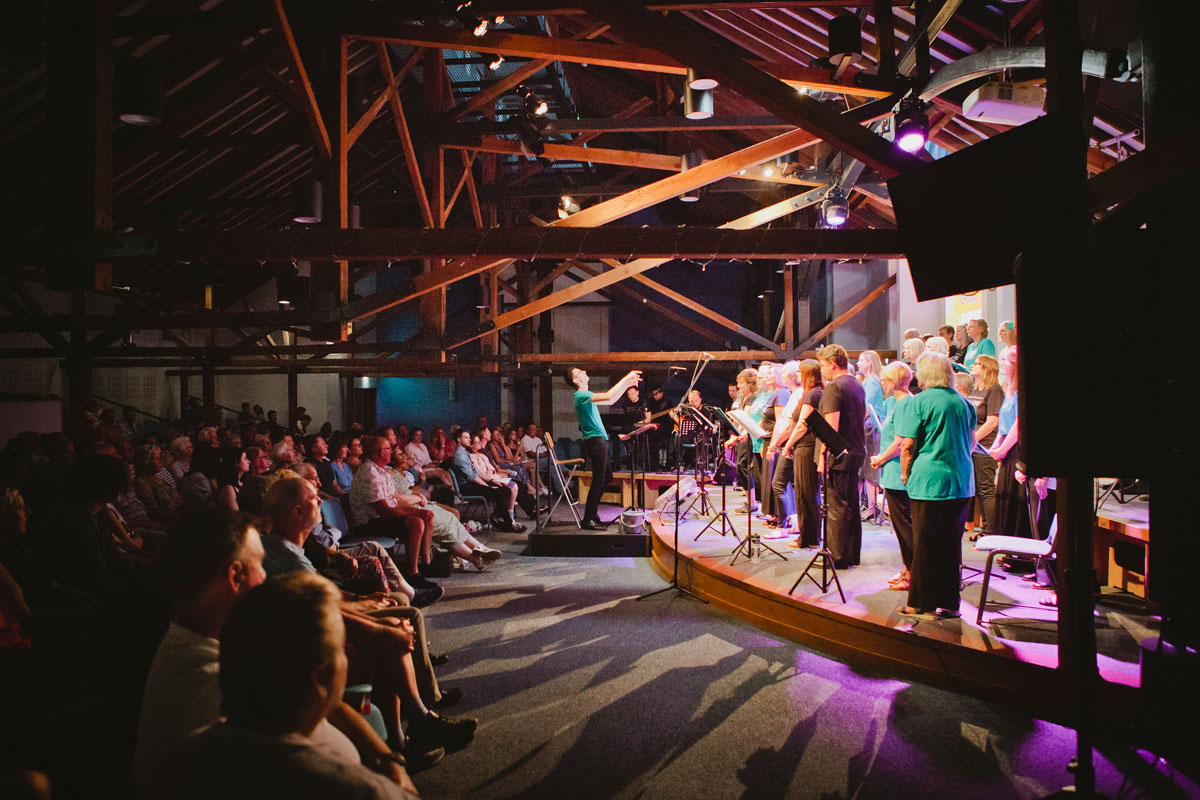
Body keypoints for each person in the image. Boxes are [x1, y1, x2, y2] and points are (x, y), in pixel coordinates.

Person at [150, 572, 418, 799]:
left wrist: (386, 759)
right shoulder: (357, 789)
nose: (267, 574)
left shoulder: (188, 754)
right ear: (320, 676)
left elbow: (333, 705)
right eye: (340, 650)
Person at [896, 353, 977, 620]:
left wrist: (905, 474)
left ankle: (921, 603)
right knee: (951, 544)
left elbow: (907, 445)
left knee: (925, 543)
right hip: (961, 482)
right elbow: (972, 442)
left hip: (929, 481)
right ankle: (950, 602)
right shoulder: (964, 403)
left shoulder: (919, 401)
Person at [565, 368, 642, 530]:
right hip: (595, 440)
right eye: (580, 372)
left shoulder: (587, 396)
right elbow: (608, 396)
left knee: (606, 477)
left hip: (599, 440)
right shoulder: (581, 395)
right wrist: (626, 378)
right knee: (600, 478)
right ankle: (588, 518)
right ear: (576, 380)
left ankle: (592, 515)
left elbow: (610, 400)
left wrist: (627, 383)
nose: (585, 371)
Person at [816, 345, 867, 569]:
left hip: (839, 454)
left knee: (837, 506)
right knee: (852, 504)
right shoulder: (857, 384)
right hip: (857, 450)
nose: (823, 371)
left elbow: (831, 426)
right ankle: (851, 554)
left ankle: (837, 557)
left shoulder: (834, 387)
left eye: (824, 366)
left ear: (833, 364)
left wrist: (821, 456)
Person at [870, 361, 916, 590]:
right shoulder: (894, 404)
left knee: (905, 526)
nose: (883, 384)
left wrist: (880, 458)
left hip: (899, 472)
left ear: (896, 381)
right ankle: (907, 568)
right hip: (890, 471)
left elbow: (900, 442)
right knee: (899, 526)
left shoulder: (907, 403)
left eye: (886, 380)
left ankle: (914, 574)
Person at [781, 361, 823, 548]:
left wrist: (787, 445)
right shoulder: (813, 392)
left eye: (800, 371)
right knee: (807, 492)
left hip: (806, 447)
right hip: (805, 447)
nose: (797, 374)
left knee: (807, 493)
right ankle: (809, 536)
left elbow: (802, 425)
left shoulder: (813, 394)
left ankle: (810, 538)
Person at [967, 355, 1004, 540]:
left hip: (985, 446)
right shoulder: (975, 390)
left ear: (986, 368)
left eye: (976, 363)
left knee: (986, 489)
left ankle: (991, 532)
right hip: (972, 446)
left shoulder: (994, 390)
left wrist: (971, 441)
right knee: (978, 490)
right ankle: (984, 531)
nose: (972, 365)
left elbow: (992, 422)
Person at [988, 346, 1023, 537]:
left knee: (1014, 499)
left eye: (1006, 361)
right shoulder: (1008, 390)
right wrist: (997, 444)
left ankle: (1018, 554)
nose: (1002, 364)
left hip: (1015, 450)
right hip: (1006, 448)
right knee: (1003, 496)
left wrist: (1003, 449)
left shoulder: (1021, 391)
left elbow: (1019, 424)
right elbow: (1004, 423)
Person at [856, 351, 886, 524]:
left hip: (871, 428)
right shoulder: (867, 381)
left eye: (861, 360)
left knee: (869, 468)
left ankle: (873, 507)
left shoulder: (873, 382)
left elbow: (866, 407)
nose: (859, 363)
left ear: (869, 362)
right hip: (866, 427)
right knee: (863, 468)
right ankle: (864, 505)